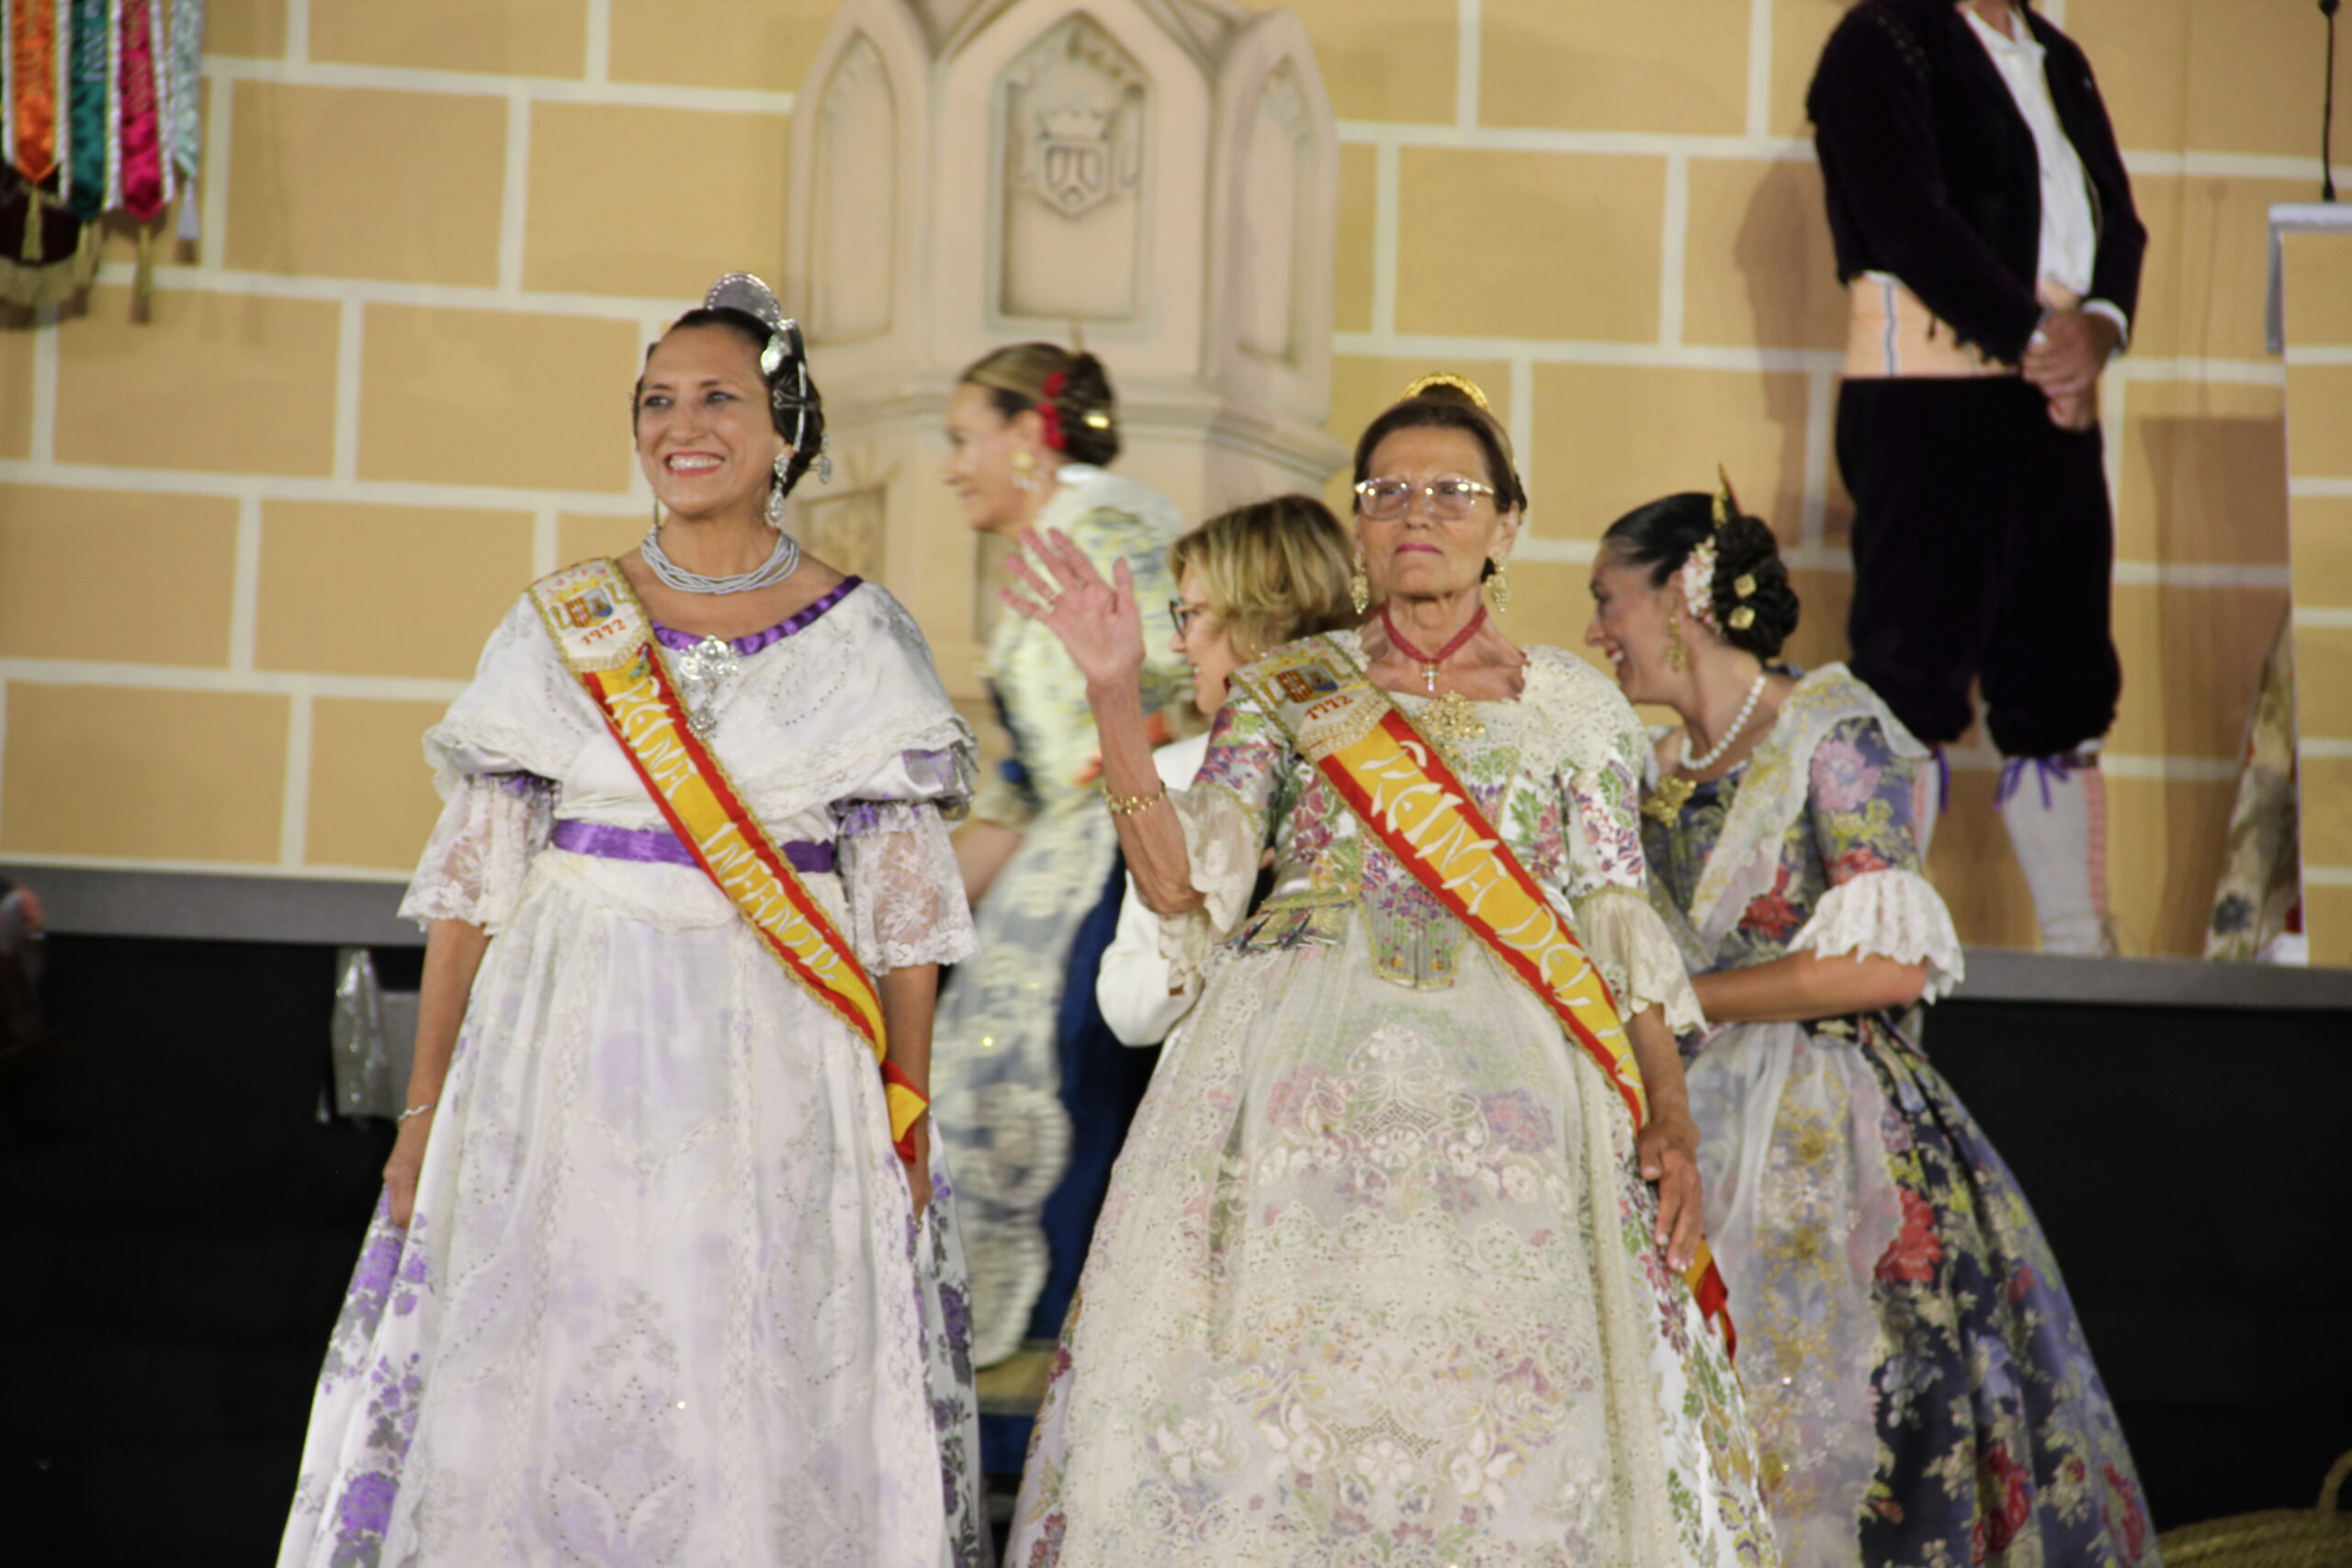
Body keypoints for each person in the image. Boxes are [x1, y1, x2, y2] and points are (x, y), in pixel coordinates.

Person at [279, 276, 990, 1568]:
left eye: (718, 395)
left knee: (755, 1345)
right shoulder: (560, 626)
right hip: (569, 1041)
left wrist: (908, 1103)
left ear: (784, 428)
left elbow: (903, 912)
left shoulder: (864, 634)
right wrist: (423, 1109)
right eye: (656, 400)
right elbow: (471, 889)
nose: (683, 422)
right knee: (554, 1346)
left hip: (780, 1055)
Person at [1000, 378, 1770, 1565]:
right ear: (1356, 524)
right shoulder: (1288, 686)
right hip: (1295, 1089)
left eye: (1454, 490)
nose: (1420, 510)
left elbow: (1617, 929)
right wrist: (1113, 693)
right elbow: (1178, 882)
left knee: (1497, 1425)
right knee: (1282, 1409)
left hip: (1515, 1103)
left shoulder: (1575, 709)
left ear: (1508, 523)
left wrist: (1669, 1114)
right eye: (1388, 490)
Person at [1587, 485, 2158, 1568]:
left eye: (1607, 598)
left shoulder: (1831, 730)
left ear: (1681, 599)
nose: (1594, 630)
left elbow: (1888, 960)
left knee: (1834, 1425)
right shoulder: (1650, 773)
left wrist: (1695, 1000)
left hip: (1824, 1123)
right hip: (1684, 1121)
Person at [1809, 0, 2146, 954]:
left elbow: (2117, 222)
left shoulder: (2056, 54)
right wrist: (2035, 334)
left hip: (2049, 401)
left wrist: (2102, 326)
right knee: (1911, 671)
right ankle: (1880, 945)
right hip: (1930, 396)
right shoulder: (1886, 36)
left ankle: (2081, 946)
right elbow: (1904, 216)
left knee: (2061, 674)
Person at [929, 343, 1193, 1380]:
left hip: (1119, 868)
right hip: (1058, 857)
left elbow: (1173, 686)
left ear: (1028, 437)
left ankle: (1064, 1365)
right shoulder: (1046, 545)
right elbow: (1027, 781)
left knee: (1080, 1098)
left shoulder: (1113, 527)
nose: (952, 467)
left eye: (962, 439)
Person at [1094, 494, 1358, 1046]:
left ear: (1262, 618)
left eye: (1191, 615)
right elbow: (1124, 1010)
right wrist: (1217, 916)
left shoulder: (1384, 764)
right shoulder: (1176, 773)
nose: (1177, 641)